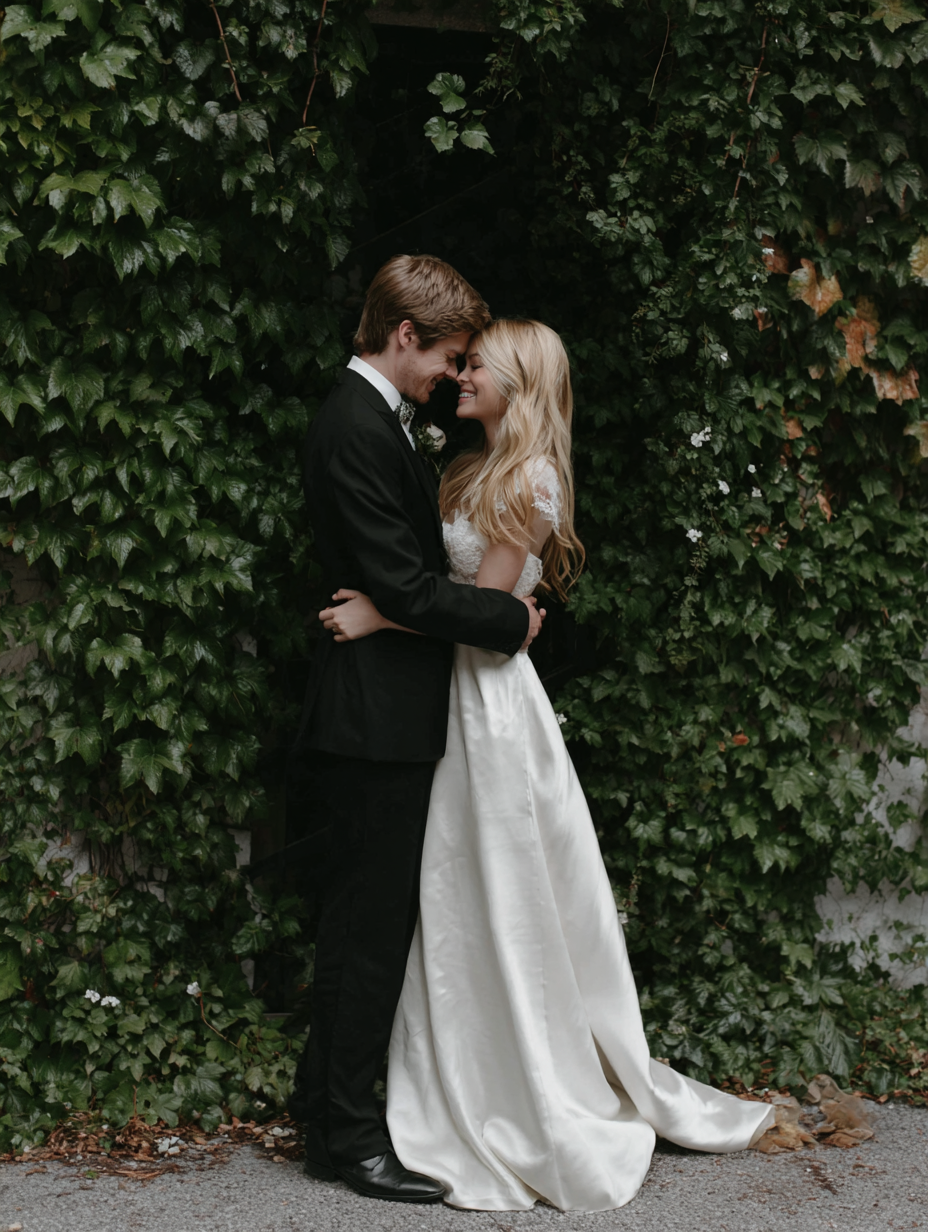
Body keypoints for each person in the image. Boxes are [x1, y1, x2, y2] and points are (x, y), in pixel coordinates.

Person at [318, 319, 776, 1212]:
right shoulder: (461, 466)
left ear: (521, 384)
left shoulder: (531, 481)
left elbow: (484, 607)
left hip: (488, 707)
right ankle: (446, 1067)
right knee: (447, 891)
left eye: (478, 365)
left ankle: (520, 1081)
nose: (461, 376)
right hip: (439, 692)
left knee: (497, 884)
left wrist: (379, 614)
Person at [290, 256, 543, 1204]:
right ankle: (349, 1142)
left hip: (386, 712)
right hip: (373, 720)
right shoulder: (353, 425)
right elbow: (397, 585)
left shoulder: (376, 420)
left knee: (364, 924)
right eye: (444, 356)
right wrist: (510, 621)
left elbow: (393, 586)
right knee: (367, 931)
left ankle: (325, 1115)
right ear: (404, 336)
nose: (450, 374)